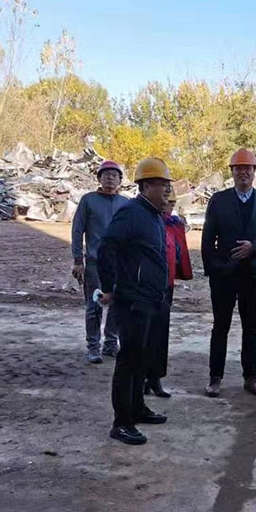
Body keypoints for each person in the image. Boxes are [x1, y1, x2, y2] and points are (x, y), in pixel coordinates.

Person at [98, 158, 174, 446]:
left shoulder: (154, 215)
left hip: (152, 299)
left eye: (167, 185)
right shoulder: (130, 213)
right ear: (145, 186)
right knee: (129, 361)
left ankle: (137, 408)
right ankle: (121, 422)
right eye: (162, 184)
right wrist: (109, 287)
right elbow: (106, 247)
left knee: (143, 358)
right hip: (133, 300)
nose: (167, 190)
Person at [201, 148, 256, 398]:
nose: (243, 172)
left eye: (248, 168)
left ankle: (250, 377)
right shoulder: (219, 200)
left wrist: (254, 247)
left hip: (253, 276)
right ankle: (215, 377)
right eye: (238, 168)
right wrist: (215, 268)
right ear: (232, 172)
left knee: (251, 328)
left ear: (254, 172)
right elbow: (207, 239)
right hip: (224, 276)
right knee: (220, 326)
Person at [71, 160, 130, 363]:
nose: (110, 178)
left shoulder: (126, 204)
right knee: (94, 305)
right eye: (106, 174)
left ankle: (111, 344)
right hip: (95, 263)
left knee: (117, 304)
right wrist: (78, 259)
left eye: (114, 175)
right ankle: (93, 347)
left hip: (119, 265)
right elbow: (77, 230)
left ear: (120, 180)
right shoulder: (88, 201)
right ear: (99, 178)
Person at [145, 188, 193, 398]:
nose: (170, 207)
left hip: (166, 286)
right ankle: (141, 378)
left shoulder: (173, 225)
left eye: (173, 203)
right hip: (146, 287)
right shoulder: (147, 221)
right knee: (144, 334)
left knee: (160, 334)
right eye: (168, 203)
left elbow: (179, 253)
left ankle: (155, 378)